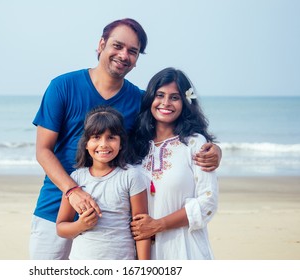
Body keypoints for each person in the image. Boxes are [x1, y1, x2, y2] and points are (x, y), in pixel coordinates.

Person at [30, 18, 221, 260]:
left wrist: (213, 149)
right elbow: (43, 151)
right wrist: (73, 191)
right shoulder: (62, 87)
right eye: (117, 46)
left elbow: (168, 130)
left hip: (113, 225)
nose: (123, 55)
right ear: (101, 44)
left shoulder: (139, 100)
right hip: (55, 210)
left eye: (133, 51)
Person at [129, 67, 219, 259]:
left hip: (184, 249)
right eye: (160, 95)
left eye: (175, 97)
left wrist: (158, 225)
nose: (166, 103)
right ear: (150, 99)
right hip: (141, 250)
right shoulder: (135, 144)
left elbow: (208, 203)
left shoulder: (195, 144)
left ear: (186, 102)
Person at [56, 106, 150, 260]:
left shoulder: (131, 176)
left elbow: (142, 229)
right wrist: (81, 225)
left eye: (111, 137)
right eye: (96, 137)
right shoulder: (77, 178)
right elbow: (61, 228)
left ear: (121, 143)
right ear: (86, 143)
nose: (103, 144)